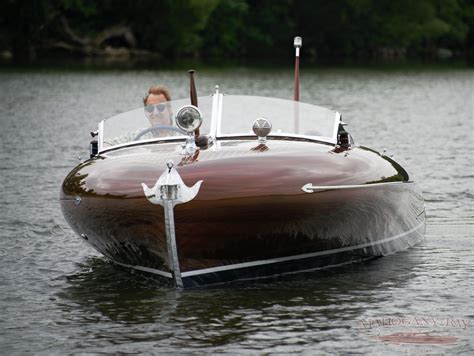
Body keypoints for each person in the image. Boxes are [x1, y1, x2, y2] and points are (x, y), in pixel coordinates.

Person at [104, 85, 174, 147]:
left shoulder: (183, 134)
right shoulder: (138, 135)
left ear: (169, 110)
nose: (155, 113)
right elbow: (108, 144)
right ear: (146, 112)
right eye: (150, 108)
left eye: (160, 107)